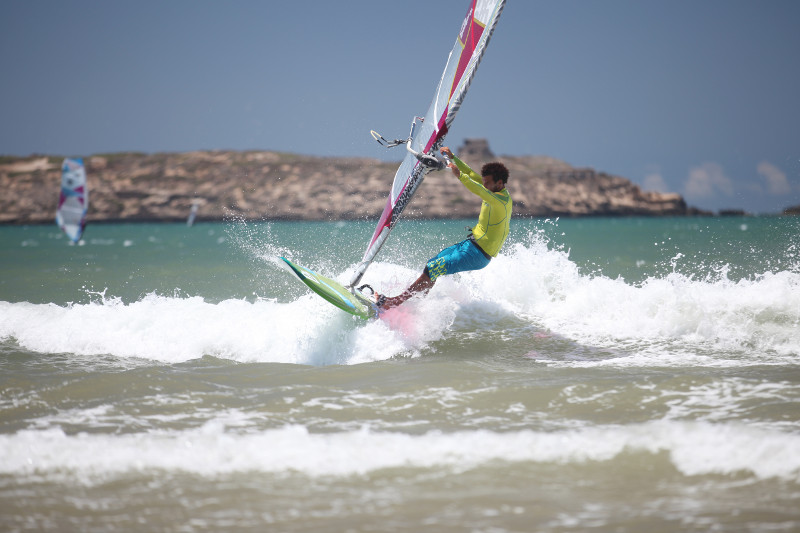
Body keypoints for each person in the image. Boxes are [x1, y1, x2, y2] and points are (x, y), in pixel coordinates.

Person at [376, 146, 512, 310]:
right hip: (470, 245)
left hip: (478, 255)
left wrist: (459, 175)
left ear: (499, 183)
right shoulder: (493, 189)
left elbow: (476, 188)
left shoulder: (500, 201)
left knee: (433, 269)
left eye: (487, 183)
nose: (484, 185)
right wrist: (453, 158)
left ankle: (394, 303)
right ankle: (416, 305)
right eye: (484, 182)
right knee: (432, 264)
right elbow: (472, 175)